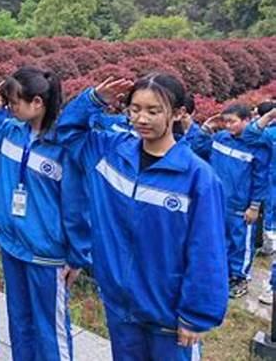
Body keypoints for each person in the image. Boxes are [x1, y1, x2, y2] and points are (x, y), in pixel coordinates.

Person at [56, 73, 228, 361]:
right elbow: (68, 133)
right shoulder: (110, 153)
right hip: (119, 305)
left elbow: (207, 251)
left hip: (167, 315)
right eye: (135, 109)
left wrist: (196, 314)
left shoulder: (197, 178)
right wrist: (92, 100)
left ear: (177, 113)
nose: (141, 119)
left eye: (153, 110)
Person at [0, 68, 91, 361]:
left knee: (50, 331)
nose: (9, 107)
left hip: (46, 255)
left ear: (37, 102)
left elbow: (76, 206)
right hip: (13, 247)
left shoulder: (62, 146)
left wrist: (77, 256)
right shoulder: (10, 132)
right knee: (20, 324)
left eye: (14, 102)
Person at [189, 103, 271, 298]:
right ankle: (219, 274)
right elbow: (197, 149)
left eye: (232, 122)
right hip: (216, 201)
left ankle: (239, 278)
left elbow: (261, 178)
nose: (228, 126)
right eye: (225, 121)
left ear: (246, 121)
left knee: (240, 244)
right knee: (216, 239)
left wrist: (254, 206)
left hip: (240, 206)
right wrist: (206, 129)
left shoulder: (258, 146)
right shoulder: (220, 138)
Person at [241, 102, 276, 304]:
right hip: (270, 193)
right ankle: (271, 288)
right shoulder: (271, 135)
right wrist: (270, 115)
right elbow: (249, 136)